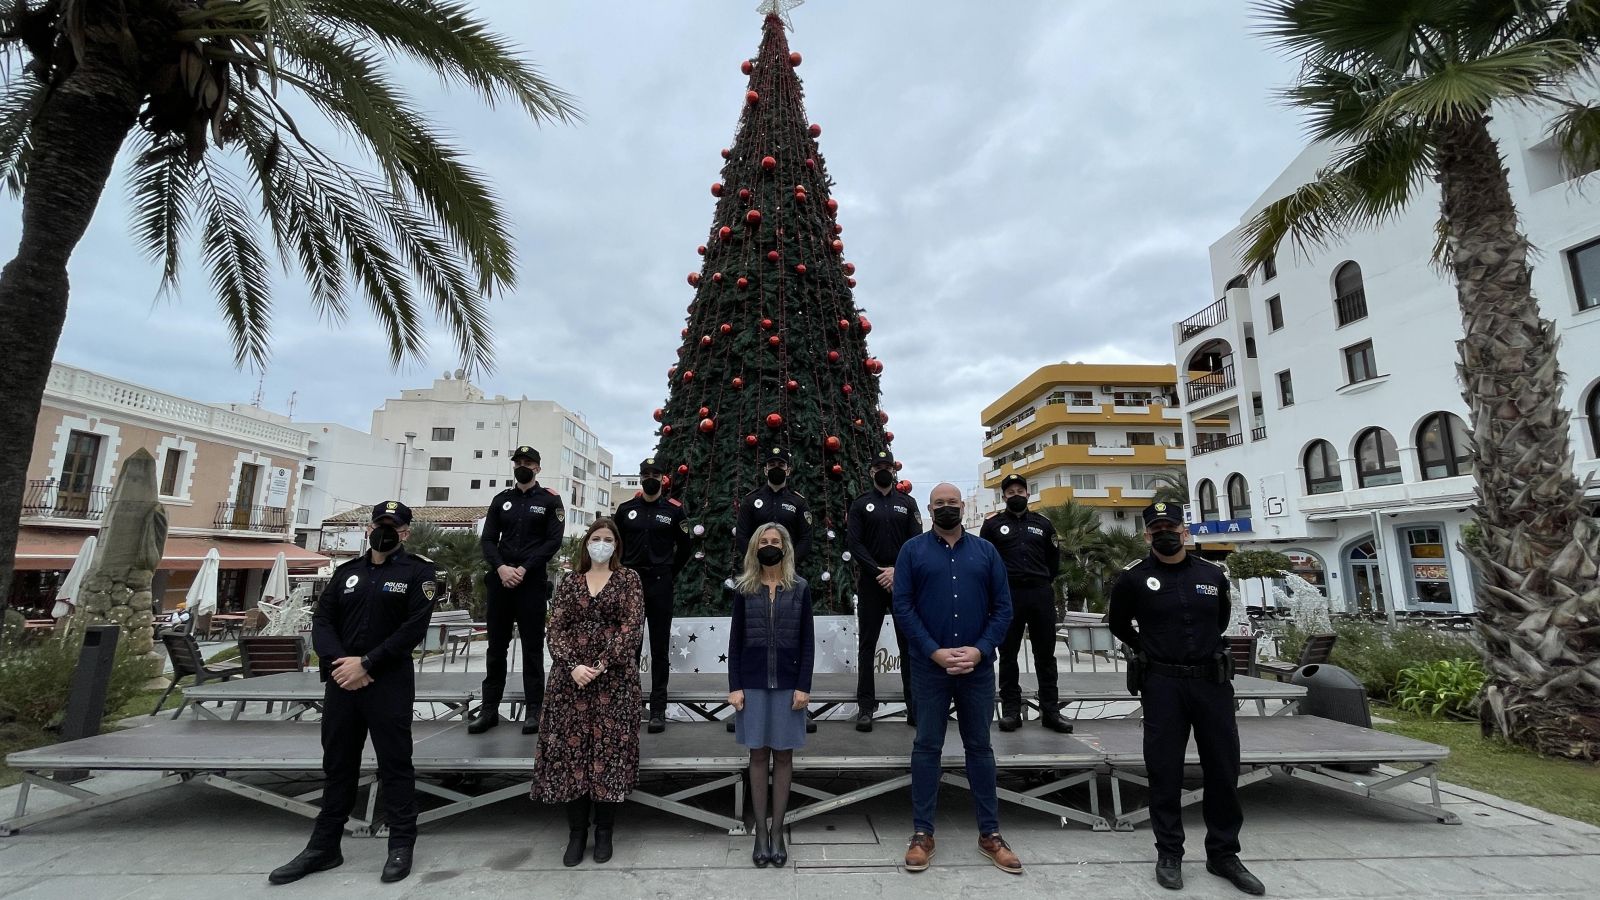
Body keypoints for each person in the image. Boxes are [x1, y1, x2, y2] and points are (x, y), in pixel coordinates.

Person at [270, 501, 434, 886]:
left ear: (406, 533)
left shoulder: (419, 573)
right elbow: (323, 620)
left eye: (394, 526)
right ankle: (324, 846)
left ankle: (401, 842)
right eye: (380, 523)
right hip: (343, 682)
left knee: (395, 763)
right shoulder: (346, 574)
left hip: (388, 681)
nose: (385, 530)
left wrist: (368, 663)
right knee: (338, 764)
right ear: (369, 528)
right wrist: (342, 663)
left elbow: (413, 628)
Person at [1108, 502, 1264, 896]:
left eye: (1170, 526)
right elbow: (1118, 623)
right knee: (1164, 772)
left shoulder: (1212, 575)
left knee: (1224, 770)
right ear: (1146, 535)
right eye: (1156, 528)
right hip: (1162, 684)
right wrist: (1149, 648)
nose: (1164, 533)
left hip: (1211, 683)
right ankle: (1169, 854)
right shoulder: (1134, 579)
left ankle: (1224, 854)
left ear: (1184, 530)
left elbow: (1221, 619)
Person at [891, 483, 1021, 876]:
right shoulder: (912, 551)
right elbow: (903, 606)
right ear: (928, 510)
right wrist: (934, 651)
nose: (946, 508)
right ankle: (922, 833)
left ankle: (990, 834)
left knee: (980, 748)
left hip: (977, 669)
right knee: (926, 747)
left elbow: (1003, 609)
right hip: (930, 669)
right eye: (939, 504)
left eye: (952, 503)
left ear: (963, 507)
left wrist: (979, 650)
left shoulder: (986, 552)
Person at [533, 518, 645, 868]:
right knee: (574, 754)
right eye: (595, 538)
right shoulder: (570, 581)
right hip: (571, 683)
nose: (601, 544)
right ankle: (576, 832)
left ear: (616, 545)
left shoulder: (629, 580)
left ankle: (604, 832)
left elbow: (631, 626)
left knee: (608, 753)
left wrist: (599, 663)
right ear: (586, 544)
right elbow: (556, 629)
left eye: (607, 539)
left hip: (614, 681)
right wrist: (572, 665)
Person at [727, 523, 814, 869]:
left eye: (775, 541)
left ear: (786, 547)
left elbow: (808, 641)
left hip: (789, 686)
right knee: (758, 756)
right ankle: (760, 833)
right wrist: (735, 686)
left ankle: (778, 831)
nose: (769, 545)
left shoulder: (800, 588)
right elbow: (735, 642)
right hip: (753, 684)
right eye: (763, 541)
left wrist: (804, 686)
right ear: (754, 547)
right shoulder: (744, 588)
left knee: (785, 757)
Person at [472, 445, 565, 735]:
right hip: (501, 582)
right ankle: (489, 710)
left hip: (532, 583)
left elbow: (553, 541)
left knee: (532, 649)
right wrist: (501, 567)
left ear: (538, 467)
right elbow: (488, 539)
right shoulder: (501, 500)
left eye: (528, 462)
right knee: (496, 648)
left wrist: (523, 569)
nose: (522, 466)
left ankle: (534, 710)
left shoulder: (551, 500)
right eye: (518, 461)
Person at [980, 474, 1072, 734]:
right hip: (1008, 595)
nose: (1016, 495)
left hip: (1040, 594)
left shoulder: (1043, 524)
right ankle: (1011, 710)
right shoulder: (993, 526)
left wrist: (1040, 581)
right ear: (1004, 496)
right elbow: (985, 561)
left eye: (1020, 490)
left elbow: (1053, 561)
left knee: (1045, 655)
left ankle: (1051, 711)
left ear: (1027, 494)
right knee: (1008, 655)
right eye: (1011, 492)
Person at [846, 449, 922, 732]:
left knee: (908, 644)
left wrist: (897, 571)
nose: (883, 470)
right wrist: (878, 571)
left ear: (894, 470)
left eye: (887, 466)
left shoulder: (907, 502)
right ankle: (866, 707)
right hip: (871, 582)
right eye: (878, 466)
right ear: (870, 471)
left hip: (902, 583)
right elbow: (855, 544)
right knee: (867, 645)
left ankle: (914, 706)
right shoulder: (860, 504)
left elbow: (916, 541)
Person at [614, 457, 692, 733]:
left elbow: (686, 547)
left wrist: (669, 571)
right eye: (645, 473)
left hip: (660, 583)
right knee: (629, 648)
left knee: (659, 650)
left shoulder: (674, 510)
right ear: (640, 477)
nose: (650, 478)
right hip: (631, 585)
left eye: (655, 474)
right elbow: (615, 545)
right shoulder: (625, 510)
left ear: (663, 478)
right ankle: (628, 705)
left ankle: (658, 708)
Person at [735, 446, 813, 564]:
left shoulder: (799, 502)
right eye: (772, 465)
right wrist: (756, 561)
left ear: (788, 471)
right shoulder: (750, 500)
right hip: (756, 566)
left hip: (789, 568)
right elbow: (742, 535)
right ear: (766, 470)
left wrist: (790, 563)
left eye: (781, 465)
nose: (776, 468)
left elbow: (806, 537)